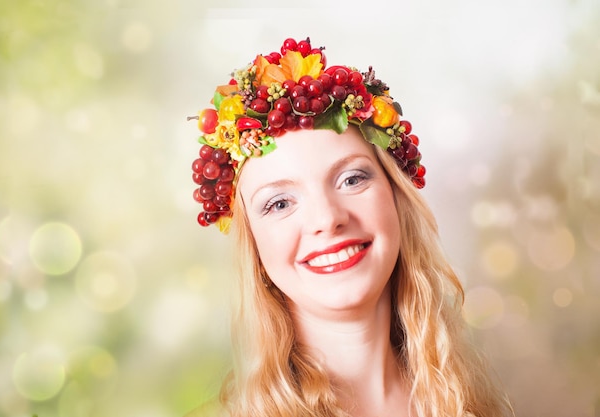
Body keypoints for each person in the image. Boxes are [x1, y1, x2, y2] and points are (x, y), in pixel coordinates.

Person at [188, 36, 515, 417]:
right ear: (256, 250)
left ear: (396, 196)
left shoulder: (468, 402)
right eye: (279, 203)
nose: (328, 219)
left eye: (352, 179)